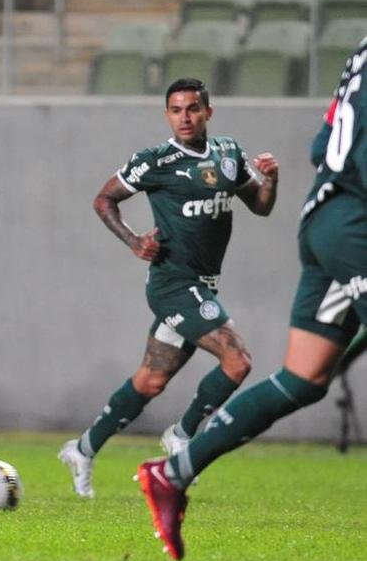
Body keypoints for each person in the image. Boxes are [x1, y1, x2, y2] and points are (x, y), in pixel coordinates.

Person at [138, 44, 367, 559]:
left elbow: (322, 143)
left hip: (326, 216)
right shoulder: (160, 161)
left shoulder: (359, 54)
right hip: (357, 224)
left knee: (302, 379)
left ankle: (174, 472)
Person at [59, 78, 279, 498]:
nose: (185, 117)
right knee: (238, 360)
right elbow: (104, 199)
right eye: (176, 110)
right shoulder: (156, 161)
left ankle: (83, 448)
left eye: (193, 109)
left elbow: (262, 206)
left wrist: (271, 180)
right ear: (167, 114)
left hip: (204, 286)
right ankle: (182, 435)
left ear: (208, 113)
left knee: (151, 380)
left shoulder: (229, 153)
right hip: (173, 284)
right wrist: (134, 240)